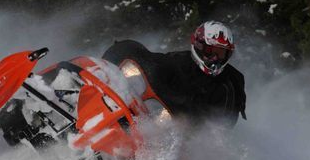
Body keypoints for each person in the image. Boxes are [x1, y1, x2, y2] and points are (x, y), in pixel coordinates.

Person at [102, 21, 246, 127]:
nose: (215, 58)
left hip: (184, 137)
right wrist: (125, 52)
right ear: (199, 46)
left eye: (220, 53)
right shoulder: (178, 60)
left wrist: (193, 121)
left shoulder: (228, 87)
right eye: (210, 51)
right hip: (153, 109)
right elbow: (154, 61)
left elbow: (220, 126)